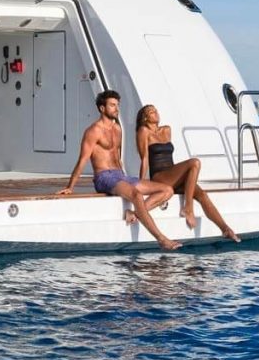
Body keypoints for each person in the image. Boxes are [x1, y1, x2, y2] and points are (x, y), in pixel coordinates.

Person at [57, 90, 182, 251]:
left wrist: (127, 177)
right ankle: (161, 239)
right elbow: (82, 160)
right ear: (102, 108)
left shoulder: (118, 129)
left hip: (120, 176)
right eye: (112, 105)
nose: (117, 108)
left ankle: (134, 214)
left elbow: (117, 157)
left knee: (167, 190)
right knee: (136, 195)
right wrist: (70, 187)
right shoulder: (93, 131)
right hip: (104, 177)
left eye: (118, 105)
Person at [135, 104, 241, 242]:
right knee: (194, 163)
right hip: (160, 176)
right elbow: (144, 159)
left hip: (172, 175)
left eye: (156, 110)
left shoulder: (166, 130)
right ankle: (188, 208)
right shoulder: (143, 131)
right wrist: (141, 184)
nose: (156, 113)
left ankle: (225, 229)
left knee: (202, 194)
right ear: (145, 118)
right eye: (151, 112)